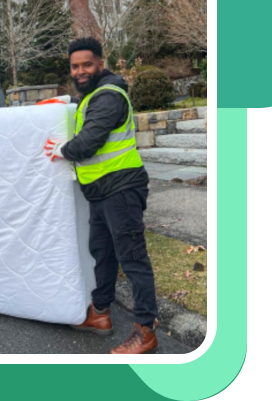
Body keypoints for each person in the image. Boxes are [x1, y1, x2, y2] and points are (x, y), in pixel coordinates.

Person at [41, 37, 159, 355]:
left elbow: (88, 141)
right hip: (101, 191)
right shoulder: (91, 95)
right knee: (102, 254)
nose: (80, 71)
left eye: (87, 65)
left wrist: (61, 151)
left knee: (133, 259)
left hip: (121, 188)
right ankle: (100, 313)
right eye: (75, 66)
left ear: (100, 64)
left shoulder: (109, 95)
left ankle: (146, 331)